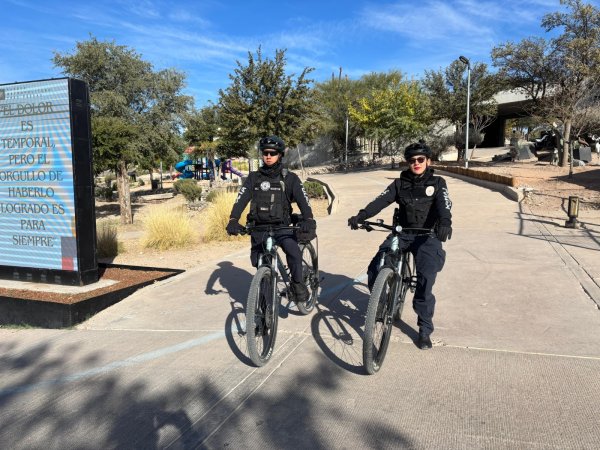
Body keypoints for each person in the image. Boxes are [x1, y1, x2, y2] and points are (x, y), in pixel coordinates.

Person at [348, 142, 452, 350]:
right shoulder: (399, 184)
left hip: (427, 236)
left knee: (425, 281)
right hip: (402, 233)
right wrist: (362, 215)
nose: (416, 163)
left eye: (420, 159)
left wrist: (445, 223)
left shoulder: (438, 183)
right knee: (376, 267)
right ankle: (382, 301)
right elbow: (380, 201)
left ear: (428, 161)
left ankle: (424, 328)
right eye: (412, 160)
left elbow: (444, 205)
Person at [226, 135, 316, 303]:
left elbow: (304, 201)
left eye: (272, 153)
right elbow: (241, 199)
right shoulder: (253, 178)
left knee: (294, 252)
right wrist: (233, 219)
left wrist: (308, 218)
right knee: (258, 262)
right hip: (259, 228)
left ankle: (297, 285)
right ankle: (264, 288)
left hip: (282, 228)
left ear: (279, 155)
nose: (268, 156)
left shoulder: (290, 178)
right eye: (265, 153)